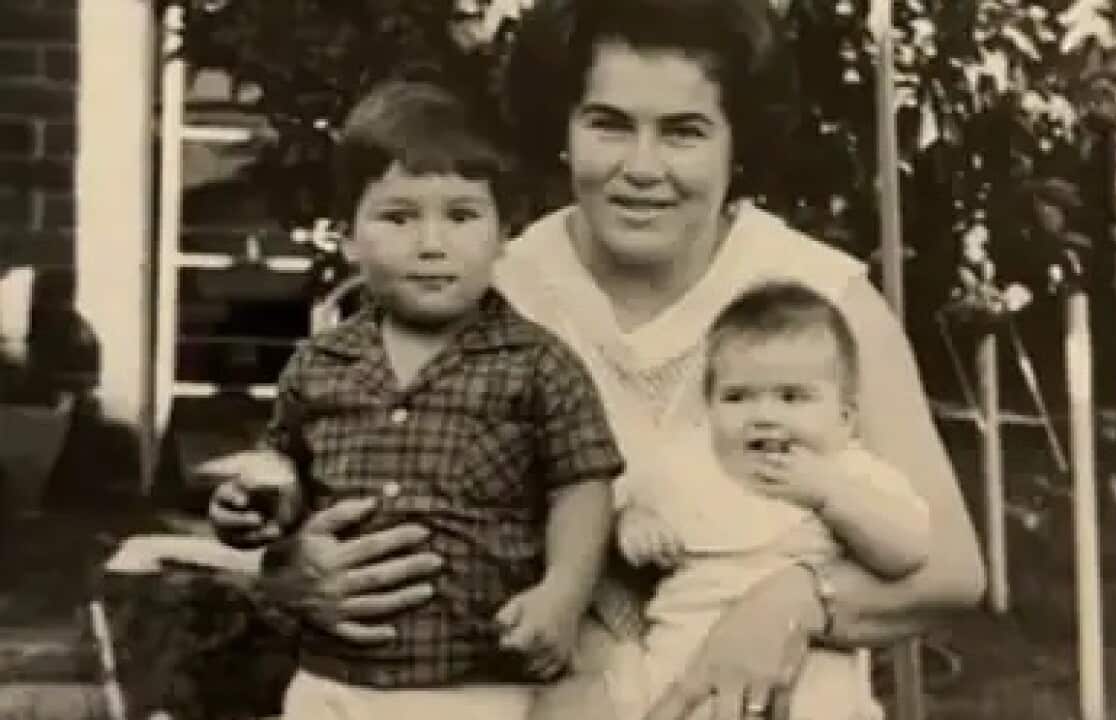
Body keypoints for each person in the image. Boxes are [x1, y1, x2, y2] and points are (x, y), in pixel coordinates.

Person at [210, 1, 986, 718]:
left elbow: (951, 570)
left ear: (737, 142)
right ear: (563, 127)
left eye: (684, 131)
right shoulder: (494, 289)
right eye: (609, 124)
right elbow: (338, 459)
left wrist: (793, 602)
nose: (642, 167)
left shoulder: (818, 299)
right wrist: (292, 568)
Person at [209, 79, 625, 720]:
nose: (432, 244)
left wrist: (562, 596)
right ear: (346, 237)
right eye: (399, 217)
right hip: (333, 681)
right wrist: (257, 506)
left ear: (502, 234)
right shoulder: (319, 365)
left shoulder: (537, 363)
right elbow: (288, 468)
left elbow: (584, 481)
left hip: (480, 683)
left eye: (461, 216)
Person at [535, 280, 932, 720]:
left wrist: (829, 496)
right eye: (737, 397)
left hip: (800, 666)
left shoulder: (848, 472)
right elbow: (623, 520)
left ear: (844, 419)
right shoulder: (689, 465)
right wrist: (636, 526)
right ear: (709, 409)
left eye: (791, 397)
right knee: (583, 701)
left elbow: (908, 550)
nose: (764, 415)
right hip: (676, 660)